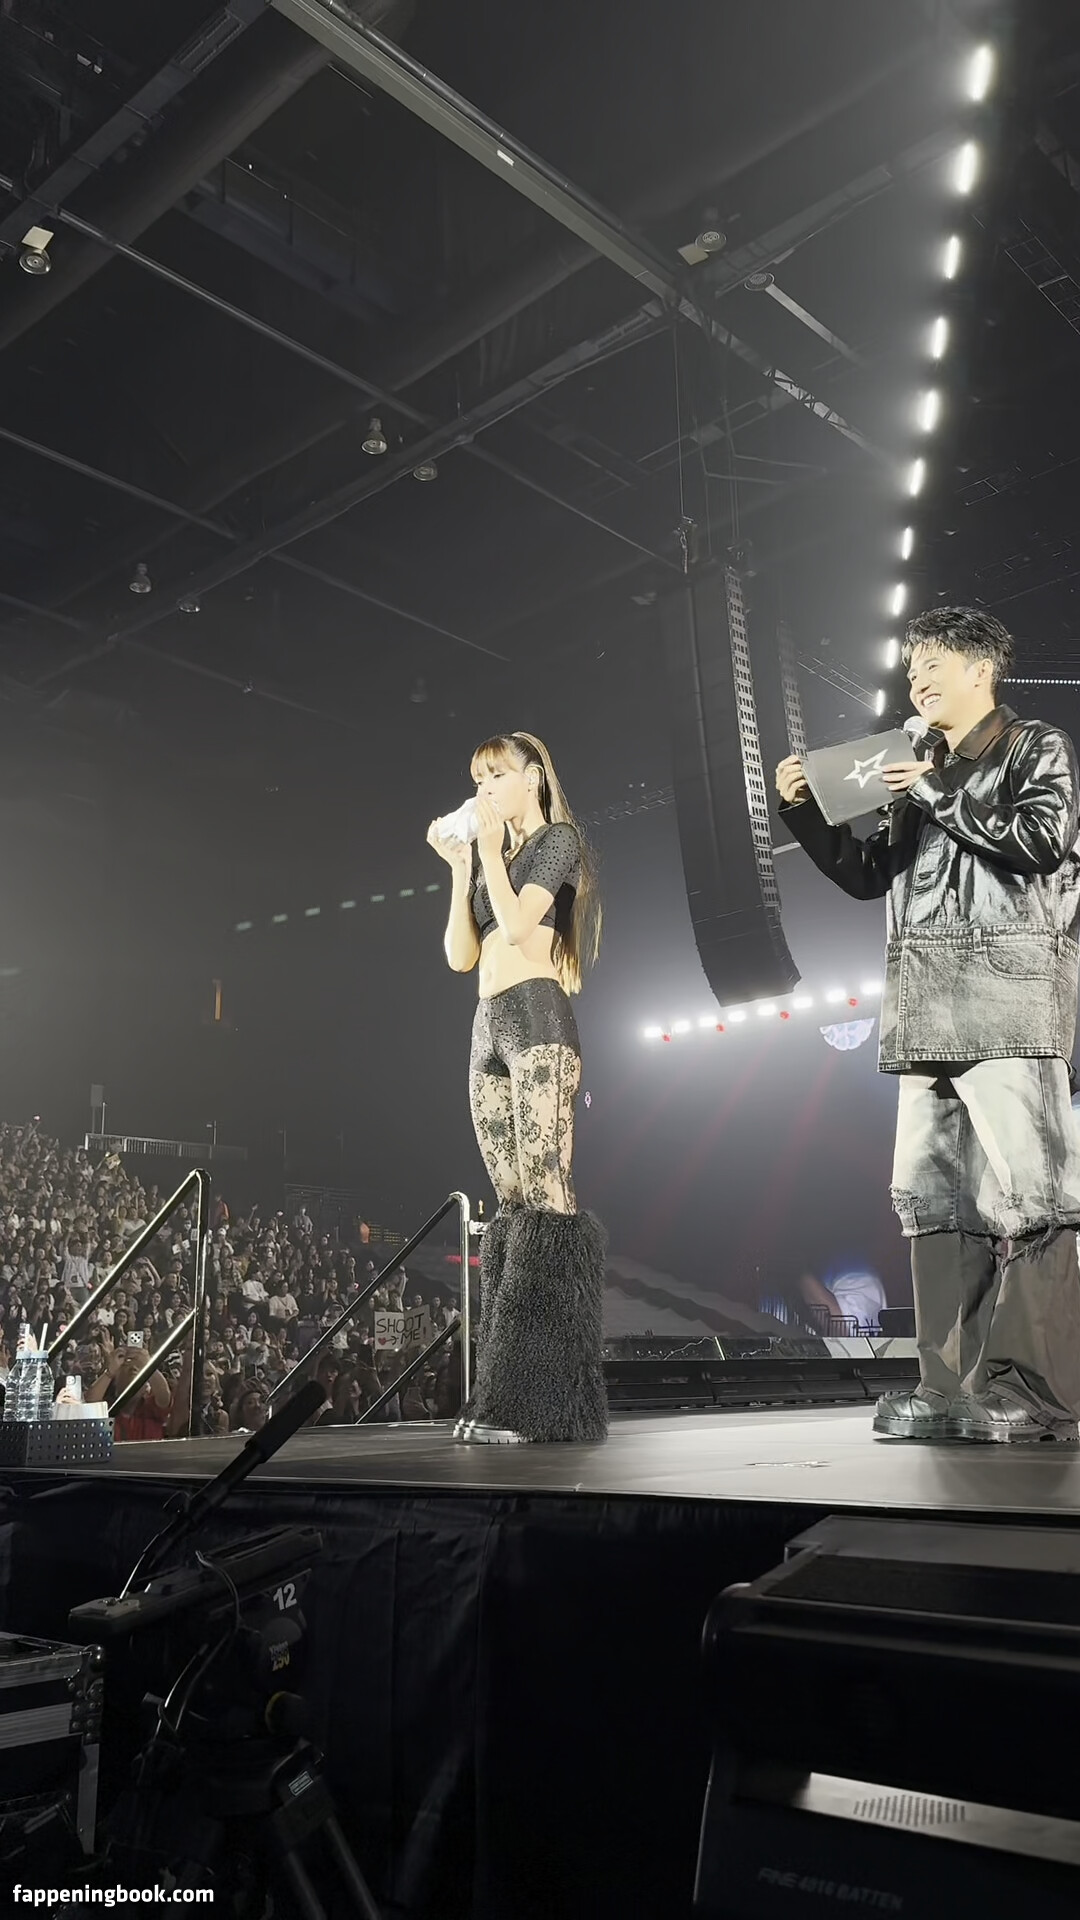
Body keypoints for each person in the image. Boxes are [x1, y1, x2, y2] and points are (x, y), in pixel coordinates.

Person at [777, 605, 1080, 1445]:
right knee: (934, 1201)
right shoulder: (918, 767)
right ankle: (948, 1387)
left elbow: (1043, 840)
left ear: (981, 669)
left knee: (1038, 1199)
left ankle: (1035, 1394)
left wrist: (935, 791)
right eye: (911, 671)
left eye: (931, 666)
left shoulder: (1035, 746)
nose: (916, 682)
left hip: (1011, 1005)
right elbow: (870, 874)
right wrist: (805, 812)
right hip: (924, 1010)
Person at [426, 729, 608, 1445]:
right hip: (487, 1025)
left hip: (537, 1016)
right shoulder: (491, 856)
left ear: (531, 778)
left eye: (496, 776)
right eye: (479, 779)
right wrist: (463, 865)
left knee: (547, 1191)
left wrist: (493, 851)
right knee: (509, 1204)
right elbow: (459, 954)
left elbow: (516, 919)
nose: (485, 790)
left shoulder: (558, 842)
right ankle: (506, 1389)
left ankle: (547, 1400)